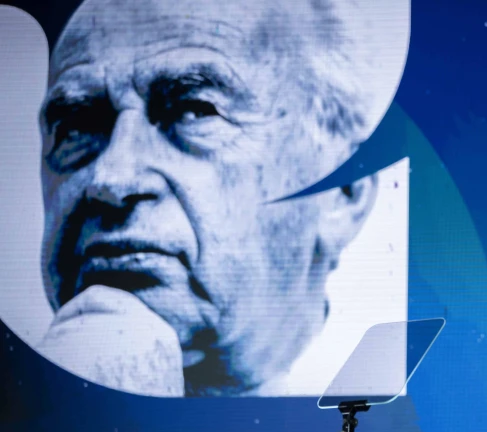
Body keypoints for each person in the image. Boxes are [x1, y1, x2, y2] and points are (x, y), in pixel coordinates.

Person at [34, 0, 406, 396]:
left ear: (341, 193)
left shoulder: (396, 429)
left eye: (195, 111)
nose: (111, 180)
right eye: (75, 126)